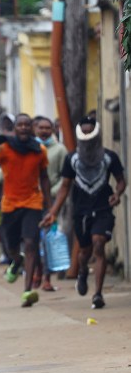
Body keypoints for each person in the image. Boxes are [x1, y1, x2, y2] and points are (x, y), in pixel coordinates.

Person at [41, 118, 126, 309]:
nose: (87, 138)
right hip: (80, 211)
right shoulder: (72, 159)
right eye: (84, 134)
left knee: (99, 244)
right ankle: (82, 271)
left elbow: (121, 180)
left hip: (103, 208)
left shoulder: (109, 157)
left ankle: (98, 294)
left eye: (90, 134)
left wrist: (117, 193)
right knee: (85, 251)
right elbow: (64, 187)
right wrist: (53, 211)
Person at [0, 114, 51, 307]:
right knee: (11, 247)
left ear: (31, 128)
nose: (23, 128)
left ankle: (27, 290)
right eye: (20, 125)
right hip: (10, 205)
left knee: (31, 243)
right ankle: (16, 261)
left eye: (27, 125)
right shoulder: (4, 149)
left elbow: (45, 178)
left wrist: (48, 206)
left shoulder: (39, 150)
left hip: (32, 203)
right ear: (15, 128)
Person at [33, 116, 68, 292]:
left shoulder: (60, 150)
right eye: (41, 128)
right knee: (31, 239)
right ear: (35, 129)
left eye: (48, 128)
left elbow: (66, 177)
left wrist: (52, 194)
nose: (44, 131)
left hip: (50, 201)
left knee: (48, 239)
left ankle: (47, 277)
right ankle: (36, 270)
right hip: (30, 201)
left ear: (53, 130)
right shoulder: (30, 149)